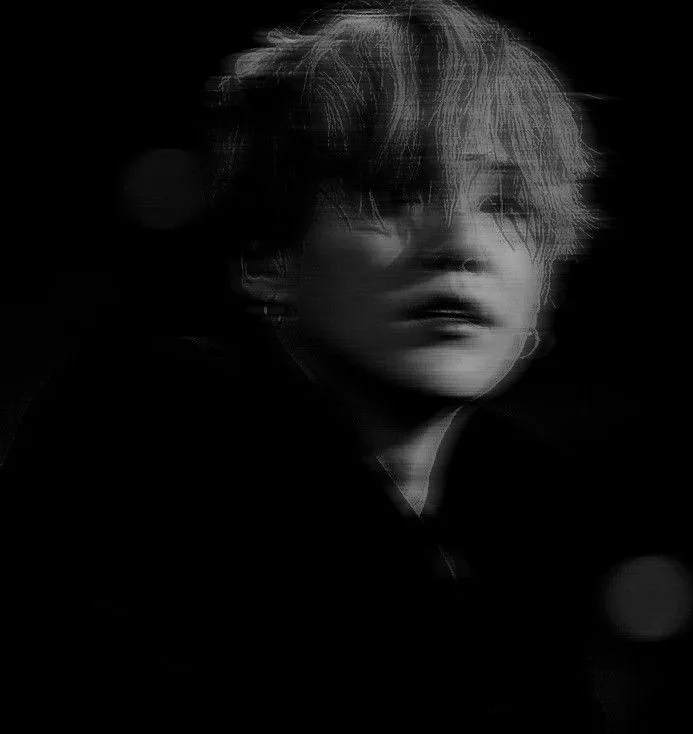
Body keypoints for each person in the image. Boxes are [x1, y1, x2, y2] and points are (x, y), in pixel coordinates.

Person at [7, 0, 606, 730]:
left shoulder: (529, 525)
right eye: (394, 193)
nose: (460, 245)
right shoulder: (145, 440)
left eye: (507, 206)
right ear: (269, 256)